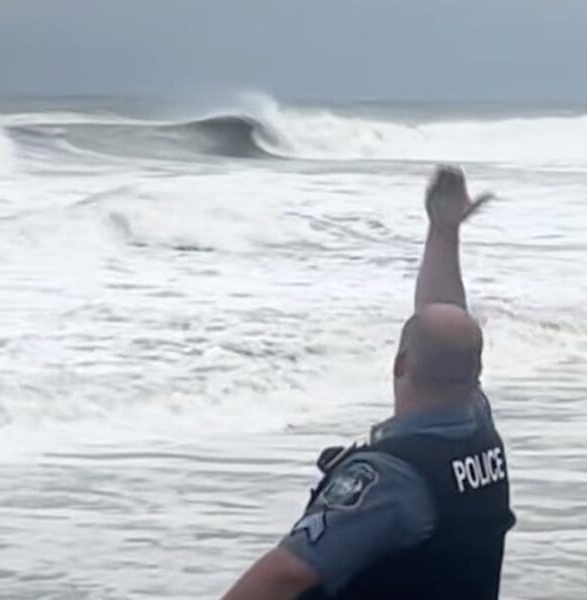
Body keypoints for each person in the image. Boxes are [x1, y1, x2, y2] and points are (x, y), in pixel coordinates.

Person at [221, 166, 516, 600]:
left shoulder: (391, 479)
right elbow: (443, 315)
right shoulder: (476, 429)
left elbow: (284, 573)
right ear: (474, 373)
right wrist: (443, 230)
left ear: (400, 364)